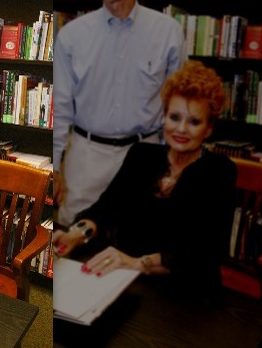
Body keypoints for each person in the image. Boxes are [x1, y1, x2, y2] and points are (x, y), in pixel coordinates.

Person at [53, 61, 236, 293]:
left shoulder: (219, 171)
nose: (180, 129)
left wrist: (139, 263)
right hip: (126, 278)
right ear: (164, 117)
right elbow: (106, 208)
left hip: (186, 290)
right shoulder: (142, 155)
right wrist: (77, 234)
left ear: (209, 129)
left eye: (194, 122)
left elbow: (206, 253)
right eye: (175, 117)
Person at [53, 0, 184, 226]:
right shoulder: (72, 36)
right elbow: (60, 108)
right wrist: (55, 168)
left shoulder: (168, 32)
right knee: (76, 244)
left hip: (147, 157)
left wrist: (174, 166)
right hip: (85, 161)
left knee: (135, 246)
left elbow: (179, 106)